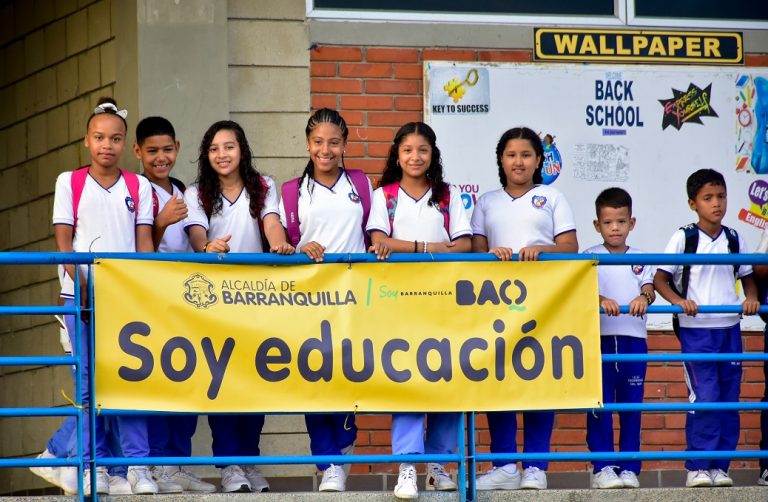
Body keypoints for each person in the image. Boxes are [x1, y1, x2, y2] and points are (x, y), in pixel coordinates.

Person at [39, 96, 158, 495]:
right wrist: (90, 283)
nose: (107, 145)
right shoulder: (68, 182)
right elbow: (64, 244)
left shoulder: (138, 185)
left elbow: (144, 245)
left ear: (126, 144)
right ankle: (94, 466)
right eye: (99, 137)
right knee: (89, 383)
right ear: (87, 141)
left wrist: (138, 288)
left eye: (115, 138)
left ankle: (136, 469)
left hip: (124, 300)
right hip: (80, 298)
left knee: (130, 381)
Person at [184, 120, 294, 492]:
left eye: (228, 147)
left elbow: (272, 222)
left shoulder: (263, 185)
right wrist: (207, 247)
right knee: (223, 381)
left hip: (257, 297)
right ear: (206, 155)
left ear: (242, 150)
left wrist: (279, 244)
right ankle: (230, 463)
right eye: (214, 149)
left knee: (256, 381)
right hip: (217, 300)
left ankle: (250, 461)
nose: (222, 155)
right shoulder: (197, 192)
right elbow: (197, 234)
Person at [366, 122, 471, 499]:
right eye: (408, 150)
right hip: (399, 303)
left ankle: (439, 466)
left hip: (444, 302)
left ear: (433, 155)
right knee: (406, 379)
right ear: (397, 155)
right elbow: (378, 242)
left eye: (422, 150)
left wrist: (406, 246)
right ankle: (408, 466)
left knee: (446, 377)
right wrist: (429, 247)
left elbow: (464, 246)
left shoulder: (449, 195)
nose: (415, 157)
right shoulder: (385, 195)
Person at [471, 126, 578, 490]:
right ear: (501, 159)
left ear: (538, 160)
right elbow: (475, 252)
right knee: (498, 380)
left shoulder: (552, 197)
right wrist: (491, 254)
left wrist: (541, 248)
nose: (518, 162)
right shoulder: (486, 201)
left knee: (538, 379)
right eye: (511, 155)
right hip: (495, 305)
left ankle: (534, 466)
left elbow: (570, 248)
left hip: (542, 303)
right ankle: (504, 465)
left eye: (526, 155)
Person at [278, 108, 379, 492]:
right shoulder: (290, 191)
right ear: (307, 144)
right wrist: (301, 247)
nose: (326, 150)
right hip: (308, 297)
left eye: (334, 142)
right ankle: (327, 460)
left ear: (345, 145)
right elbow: (283, 244)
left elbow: (375, 234)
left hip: (354, 297)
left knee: (347, 377)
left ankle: (343, 445)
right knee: (312, 379)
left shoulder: (362, 184)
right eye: (318, 142)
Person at [654, 168, 760, 488]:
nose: (716, 204)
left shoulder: (733, 237)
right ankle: (698, 465)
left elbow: (747, 276)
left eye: (721, 196)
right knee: (706, 396)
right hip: (697, 329)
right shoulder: (683, 237)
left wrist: (752, 297)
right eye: (708, 198)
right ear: (692, 203)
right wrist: (677, 300)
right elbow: (661, 277)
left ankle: (720, 466)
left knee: (729, 397)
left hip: (730, 328)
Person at [133, 116, 216, 494]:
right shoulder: (134, 189)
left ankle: (177, 464)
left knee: (189, 379)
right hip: (153, 301)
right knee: (157, 381)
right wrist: (162, 223)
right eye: (152, 151)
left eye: (167, 149)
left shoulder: (184, 190)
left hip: (187, 300)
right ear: (138, 152)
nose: (161, 157)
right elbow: (138, 246)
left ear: (178, 148)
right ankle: (159, 464)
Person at [583, 187, 654, 489]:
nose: (615, 228)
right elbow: (579, 291)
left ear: (632, 223)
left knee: (631, 407)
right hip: (597, 339)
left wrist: (643, 297)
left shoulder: (642, 258)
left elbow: (650, 288)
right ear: (597, 225)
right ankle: (603, 468)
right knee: (599, 406)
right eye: (608, 222)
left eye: (621, 222)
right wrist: (598, 298)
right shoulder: (587, 257)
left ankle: (629, 467)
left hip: (633, 340)